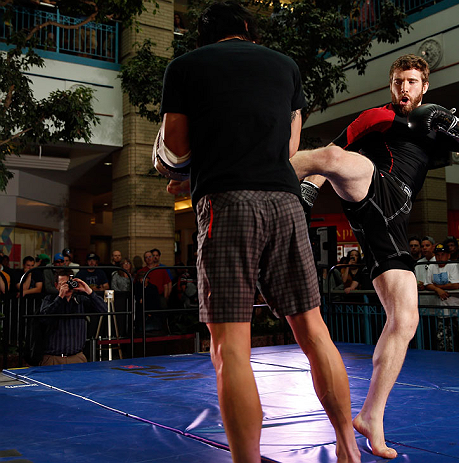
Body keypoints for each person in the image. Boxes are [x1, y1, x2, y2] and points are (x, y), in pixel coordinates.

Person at [157, 3, 360, 462]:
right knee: (314, 333)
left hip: (228, 203)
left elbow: (175, 146)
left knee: (230, 349)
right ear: (248, 30)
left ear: (203, 37)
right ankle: (349, 449)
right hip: (286, 201)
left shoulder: (186, 67)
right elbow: (287, 148)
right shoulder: (285, 66)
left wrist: (188, 172)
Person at [290, 53, 459, 458]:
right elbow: (330, 153)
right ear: (391, 83)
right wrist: (308, 191)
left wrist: (453, 123)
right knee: (333, 159)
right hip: (376, 187)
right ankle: (258, 173)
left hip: (393, 222)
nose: (404, 88)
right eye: (399, 81)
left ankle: (372, 415)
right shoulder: (375, 117)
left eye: (412, 82)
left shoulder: (433, 118)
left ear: (425, 85)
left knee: (405, 320)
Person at [39, 269, 107, 365]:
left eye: (69, 283)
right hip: (53, 358)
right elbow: (44, 319)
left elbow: (103, 310)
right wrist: (60, 297)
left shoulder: (80, 300)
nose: (67, 287)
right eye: (63, 284)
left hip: (77, 358)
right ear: (56, 285)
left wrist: (88, 290)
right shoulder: (49, 300)